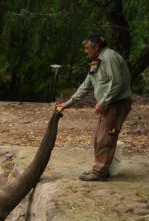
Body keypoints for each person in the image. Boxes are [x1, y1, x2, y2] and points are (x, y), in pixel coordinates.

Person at [56, 34, 132, 181]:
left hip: (116, 105)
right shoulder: (96, 62)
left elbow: (117, 83)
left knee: (105, 138)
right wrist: (68, 103)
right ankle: (101, 169)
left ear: (96, 46)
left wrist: (104, 101)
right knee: (98, 138)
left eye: (87, 48)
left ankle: (99, 173)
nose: (85, 51)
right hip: (108, 105)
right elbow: (86, 85)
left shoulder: (109, 57)